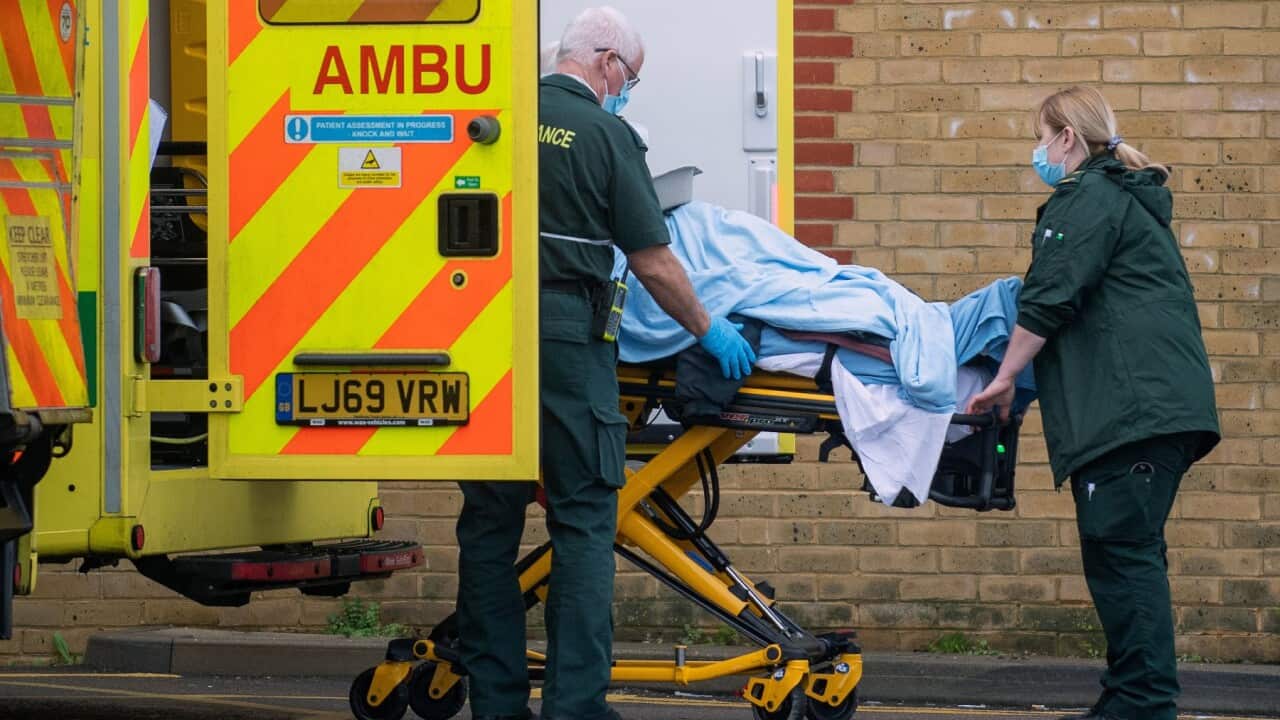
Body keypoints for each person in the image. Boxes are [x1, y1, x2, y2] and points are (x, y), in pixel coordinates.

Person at [453, 7, 756, 720]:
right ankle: (574, 707)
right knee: (585, 520)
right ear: (607, 62)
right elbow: (653, 261)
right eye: (632, 77)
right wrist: (709, 331)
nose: (628, 90)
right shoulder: (603, 133)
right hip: (565, 336)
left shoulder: (488, 118)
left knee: (488, 525)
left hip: (480, 335)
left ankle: (496, 705)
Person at [967, 86, 1220, 720]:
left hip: (1132, 414)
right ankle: (1131, 697)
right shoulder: (1121, 198)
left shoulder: (1086, 197)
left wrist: (1004, 376)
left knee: (1123, 556)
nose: (1039, 150)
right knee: (1127, 552)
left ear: (1067, 139)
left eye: (1041, 135)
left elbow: (1050, 295)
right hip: (1149, 409)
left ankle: (1141, 703)